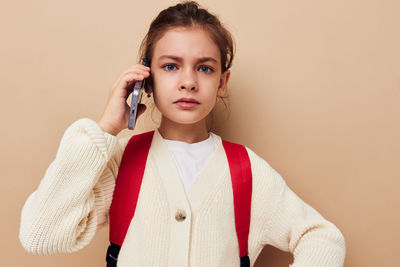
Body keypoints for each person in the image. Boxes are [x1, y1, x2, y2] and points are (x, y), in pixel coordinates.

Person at [19, 1, 346, 266]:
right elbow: (39, 235)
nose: (188, 81)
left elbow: (323, 238)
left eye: (204, 68)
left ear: (222, 82)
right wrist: (105, 128)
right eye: (171, 66)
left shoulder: (244, 171)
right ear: (147, 79)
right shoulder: (120, 161)